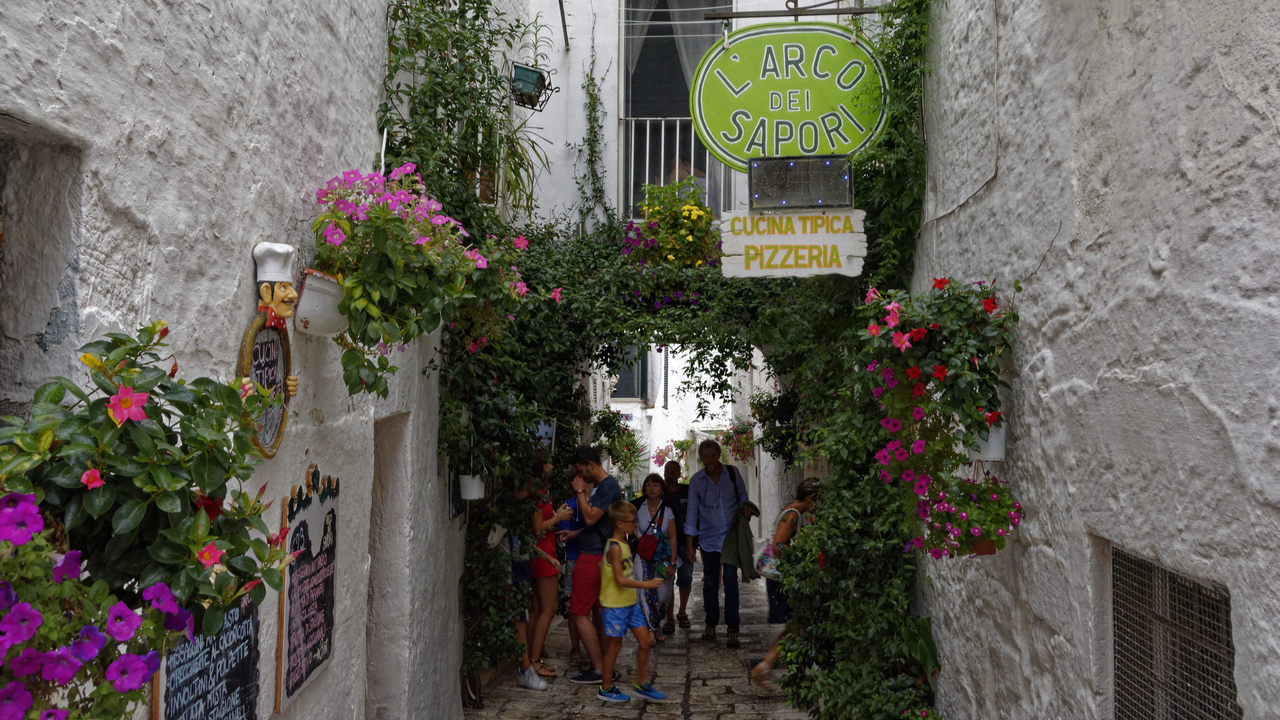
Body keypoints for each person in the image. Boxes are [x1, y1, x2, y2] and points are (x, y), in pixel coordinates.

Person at [597, 501, 667, 703]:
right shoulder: (615, 548)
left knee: (646, 641)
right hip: (615, 606)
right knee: (615, 646)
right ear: (619, 523)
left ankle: (641, 683)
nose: (636, 524)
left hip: (629, 603)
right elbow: (619, 579)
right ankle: (606, 687)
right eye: (632, 521)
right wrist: (647, 585)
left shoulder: (625, 543)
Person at [751, 478, 819, 689]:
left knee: (797, 627)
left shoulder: (790, 510)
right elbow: (778, 545)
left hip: (782, 579)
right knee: (797, 626)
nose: (817, 506)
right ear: (809, 498)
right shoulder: (792, 515)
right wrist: (801, 556)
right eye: (816, 501)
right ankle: (767, 667)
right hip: (784, 579)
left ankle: (790, 672)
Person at [685, 439, 751, 649]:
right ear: (701, 458)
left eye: (713, 455)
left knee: (731, 580)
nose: (710, 460)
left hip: (730, 538)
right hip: (708, 539)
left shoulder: (732, 474)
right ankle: (711, 623)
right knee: (711, 583)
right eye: (706, 456)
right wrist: (689, 544)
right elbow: (692, 512)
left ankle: (733, 628)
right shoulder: (697, 480)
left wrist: (745, 512)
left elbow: (743, 497)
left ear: (718, 455)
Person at [565, 446, 622, 685]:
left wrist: (579, 492)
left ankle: (599, 668)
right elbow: (595, 523)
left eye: (580, 471)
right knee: (598, 614)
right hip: (598, 554)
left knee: (578, 613)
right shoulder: (602, 486)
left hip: (592, 558)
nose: (579, 476)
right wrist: (576, 532)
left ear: (591, 464)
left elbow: (590, 517)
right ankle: (605, 666)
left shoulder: (607, 486)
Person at [526, 458, 572, 679]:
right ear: (541, 466)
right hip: (543, 557)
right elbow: (537, 527)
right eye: (549, 463)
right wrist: (558, 517)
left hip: (542, 552)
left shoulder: (538, 491)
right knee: (550, 607)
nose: (552, 466)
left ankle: (531, 657)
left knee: (536, 607)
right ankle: (535, 661)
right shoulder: (536, 492)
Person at [634, 474, 676, 642]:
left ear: (661, 489)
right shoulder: (638, 507)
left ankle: (655, 625)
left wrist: (672, 562)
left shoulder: (668, 510)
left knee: (662, 594)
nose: (651, 488)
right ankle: (650, 630)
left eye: (655, 485)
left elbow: (673, 537)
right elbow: (633, 529)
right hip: (643, 556)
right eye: (648, 485)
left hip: (662, 556)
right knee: (644, 592)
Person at [659, 460, 692, 633]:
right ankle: (669, 618)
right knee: (667, 580)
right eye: (667, 472)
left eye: (673, 472)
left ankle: (682, 612)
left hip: (685, 544)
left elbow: (694, 517)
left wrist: (691, 544)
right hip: (665, 547)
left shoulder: (688, 491)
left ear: (679, 474)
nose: (669, 475)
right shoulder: (660, 494)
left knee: (685, 579)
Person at [558, 470, 586, 668]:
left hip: (594, 558)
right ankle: (575, 647)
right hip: (576, 559)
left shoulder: (595, 501)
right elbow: (565, 532)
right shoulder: (570, 505)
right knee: (575, 609)